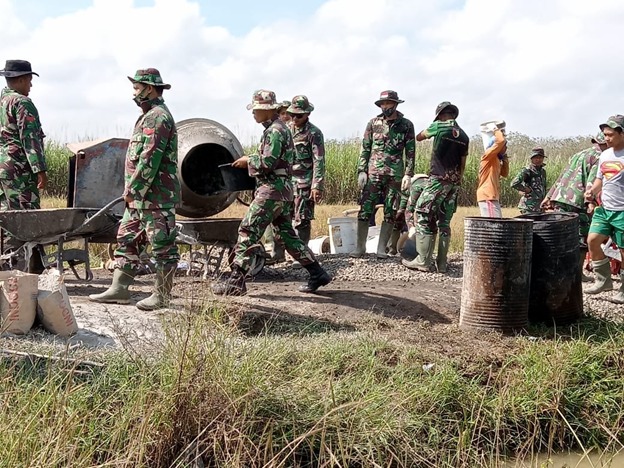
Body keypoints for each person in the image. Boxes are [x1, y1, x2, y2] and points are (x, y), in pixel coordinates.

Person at [212, 89, 331, 296]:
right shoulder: (280, 129)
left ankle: (236, 280)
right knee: (288, 237)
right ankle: (317, 272)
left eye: (256, 109)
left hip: (271, 191)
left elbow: (268, 162)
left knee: (248, 230)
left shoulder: (275, 131)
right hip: (283, 192)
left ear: (267, 110)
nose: (253, 113)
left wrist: (249, 160)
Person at [89, 68, 180, 311]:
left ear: (149, 88)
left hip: (156, 196)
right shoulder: (147, 116)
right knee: (127, 238)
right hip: (140, 198)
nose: (134, 93)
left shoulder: (158, 117)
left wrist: (134, 189)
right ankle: (119, 289)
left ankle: (162, 296)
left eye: (137, 88)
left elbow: (150, 159)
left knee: (162, 244)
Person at [402, 101, 468, 273]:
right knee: (444, 222)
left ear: (440, 115)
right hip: (454, 183)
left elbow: (420, 136)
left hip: (438, 179)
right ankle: (442, 263)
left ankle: (422, 260)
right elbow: (463, 163)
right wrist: (457, 180)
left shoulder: (439, 126)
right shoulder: (464, 136)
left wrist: (433, 127)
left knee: (423, 213)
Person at [350, 90, 415, 259]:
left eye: (388, 104)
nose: (385, 107)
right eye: (383, 104)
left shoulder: (406, 125)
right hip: (373, 173)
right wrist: (361, 170)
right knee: (365, 209)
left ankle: (381, 249)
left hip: (395, 174)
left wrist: (409, 174)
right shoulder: (373, 123)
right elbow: (365, 148)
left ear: (395, 104)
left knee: (390, 211)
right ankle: (360, 248)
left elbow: (410, 152)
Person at [0, 59, 47, 272]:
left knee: (4, 217)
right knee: (23, 219)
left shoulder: (2, 101)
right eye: (29, 79)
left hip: (2, 168)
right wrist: (40, 170)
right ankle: (19, 270)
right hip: (18, 170)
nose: (31, 85)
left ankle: (5, 266)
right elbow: (31, 140)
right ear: (19, 79)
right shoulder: (22, 103)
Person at [541, 133, 607, 280]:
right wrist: (590, 202)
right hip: (578, 201)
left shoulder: (579, 154)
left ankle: (559, 271)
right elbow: (592, 182)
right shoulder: (600, 156)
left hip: (561, 198)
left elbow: (563, 175)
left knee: (562, 236)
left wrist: (549, 196)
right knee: (582, 238)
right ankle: (578, 273)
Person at [584, 115, 624, 303]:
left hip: (622, 211)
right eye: (604, 135)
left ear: (621, 133)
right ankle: (603, 280)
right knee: (592, 240)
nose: (606, 138)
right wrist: (592, 192)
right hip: (604, 208)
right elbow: (601, 179)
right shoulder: (605, 155)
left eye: (610, 135)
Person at [286, 95, 325, 247]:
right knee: (284, 217)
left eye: (299, 115)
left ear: (307, 114)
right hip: (287, 182)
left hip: (304, 183)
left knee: (302, 218)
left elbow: (319, 160)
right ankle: (285, 251)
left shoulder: (314, 133)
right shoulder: (286, 130)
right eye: (292, 115)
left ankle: (302, 253)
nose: (295, 118)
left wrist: (317, 186)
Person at [476, 121, 509, 217]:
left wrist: (505, 158)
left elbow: (505, 173)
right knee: (494, 224)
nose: (506, 148)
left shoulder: (496, 160)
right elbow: (500, 141)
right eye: (504, 146)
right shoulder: (489, 157)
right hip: (487, 195)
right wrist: (495, 129)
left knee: (495, 225)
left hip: (491, 196)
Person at [510, 147, 547, 214]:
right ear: (532, 158)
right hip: (528, 207)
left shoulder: (543, 172)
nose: (538, 160)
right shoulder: (527, 170)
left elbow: (543, 187)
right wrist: (526, 190)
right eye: (536, 157)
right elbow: (514, 183)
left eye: (540, 157)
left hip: (540, 207)